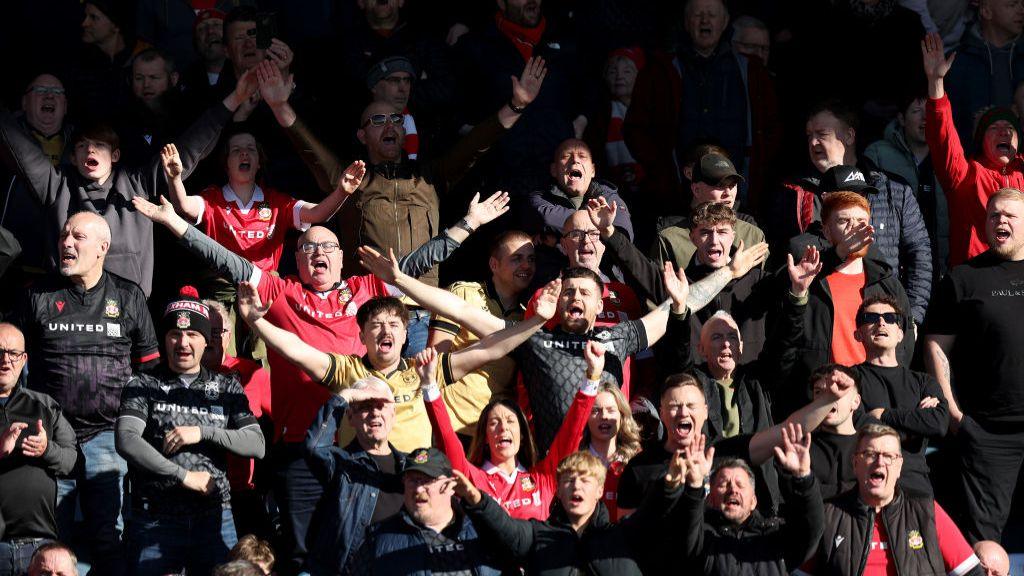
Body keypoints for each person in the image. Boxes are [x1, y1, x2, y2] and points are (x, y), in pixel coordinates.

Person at [132, 189, 501, 576]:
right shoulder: (280, 290)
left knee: (371, 550)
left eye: (327, 246)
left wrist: (469, 223)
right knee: (304, 556)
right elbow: (223, 258)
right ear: (298, 260)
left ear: (342, 257)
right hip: (299, 449)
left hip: (359, 451)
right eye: (307, 248)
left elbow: (417, 263)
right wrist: (175, 222)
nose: (317, 253)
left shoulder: (366, 289)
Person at [357, 246, 690, 451]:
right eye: (568, 292)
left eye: (584, 293)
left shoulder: (620, 337)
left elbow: (678, 307)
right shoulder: (533, 340)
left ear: (600, 300)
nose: (575, 298)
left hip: (612, 465)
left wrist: (726, 273)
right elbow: (459, 309)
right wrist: (401, 281)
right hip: (554, 469)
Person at [0, 66, 260, 296]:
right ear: (73, 155)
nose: (90, 151)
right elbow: (20, 148)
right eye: (82, 146)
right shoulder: (57, 185)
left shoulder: (137, 183)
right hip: (68, 304)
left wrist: (233, 100)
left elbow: (190, 147)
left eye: (99, 146)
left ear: (115, 155)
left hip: (126, 308)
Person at [238, 278, 560, 452]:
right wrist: (256, 323)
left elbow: (489, 349)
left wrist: (536, 322)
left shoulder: (423, 370)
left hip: (415, 479)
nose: (385, 330)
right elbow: (296, 350)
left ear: (407, 334)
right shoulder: (348, 371)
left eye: (394, 324)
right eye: (376, 325)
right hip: (357, 480)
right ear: (362, 336)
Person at [13, 212, 159, 576]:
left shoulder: (128, 295)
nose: (66, 243)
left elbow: (151, 373)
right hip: (51, 438)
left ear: (102, 248)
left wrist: (135, 428)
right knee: (51, 543)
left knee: (109, 537)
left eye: (78, 237)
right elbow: (11, 356)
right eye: (64, 236)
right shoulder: (38, 296)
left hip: (108, 435)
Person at [116, 286, 266, 576]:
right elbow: (126, 439)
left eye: (192, 335)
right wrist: (183, 476)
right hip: (156, 518)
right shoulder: (143, 383)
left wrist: (203, 432)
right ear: (164, 338)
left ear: (206, 340)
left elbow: (256, 444)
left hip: (214, 517)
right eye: (175, 334)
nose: (183, 342)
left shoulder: (226, 386)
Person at [771, 103, 932, 325]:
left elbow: (920, 256)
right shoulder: (793, 193)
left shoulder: (892, 189)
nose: (813, 142)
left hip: (883, 320)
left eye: (822, 134)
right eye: (809, 135)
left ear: (849, 135)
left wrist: (911, 318)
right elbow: (783, 260)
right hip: (822, 321)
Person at [924, 187, 1024, 542]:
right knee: (984, 543)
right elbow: (936, 344)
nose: (1001, 220)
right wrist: (954, 416)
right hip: (986, 434)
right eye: (994, 214)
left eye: (1010, 215)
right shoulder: (964, 278)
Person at [624, 0, 780, 209]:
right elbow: (636, 129)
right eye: (698, 15)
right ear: (686, 22)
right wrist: (661, 169)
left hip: (740, 192)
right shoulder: (659, 71)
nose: (705, 20)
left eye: (712, 15)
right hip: (676, 194)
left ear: (725, 22)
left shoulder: (752, 70)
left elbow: (773, 128)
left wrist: (757, 169)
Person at [419, 340, 599, 521]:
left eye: (510, 421)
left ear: (522, 434)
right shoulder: (471, 479)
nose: (503, 427)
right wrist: (428, 383)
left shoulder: (543, 478)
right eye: (494, 423)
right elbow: (446, 437)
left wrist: (592, 377)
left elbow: (571, 433)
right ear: (486, 437)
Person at [783, 191, 914, 415]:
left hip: (875, 402)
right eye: (844, 221)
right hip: (821, 402)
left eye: (861, 221)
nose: (855, 228)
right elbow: (787, 341)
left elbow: (905, 341)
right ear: (826, 231)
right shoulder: (808, 279)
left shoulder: (887, 283)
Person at [453, 449, 682, 576]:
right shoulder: (536, 534)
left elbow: (649, 515)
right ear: (558, 491)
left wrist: (670, 486)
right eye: (569, 481)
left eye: (585, 480)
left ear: (600, 490)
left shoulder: (621, 535)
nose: (576, 486)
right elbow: (505, 527)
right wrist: (477, 499)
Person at [799, 424, 983, 576]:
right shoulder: (830, 514)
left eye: (888, 456)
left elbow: (972, 572)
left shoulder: (925, 511)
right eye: (870, 454)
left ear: (899, 467)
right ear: (855, 464)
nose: (879, 462)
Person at [453, 0, 590, 193]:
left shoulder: (567, 40)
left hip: (555, 176)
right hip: (496, 182)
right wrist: (477, 138)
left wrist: (581, 122)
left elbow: (591, 88)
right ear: (501, 3)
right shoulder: (475, 45)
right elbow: (452, 104)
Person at [922, 32, 1024, 266]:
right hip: (975, 281)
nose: (1004, 132)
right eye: (994, 128)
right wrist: (936, 82)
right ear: (980, 141)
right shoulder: (965, 176)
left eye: (1010, 128)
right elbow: (942, 137)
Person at [675, 424, 824, 575]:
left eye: (740, 485)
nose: (733, 489)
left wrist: (803, 477)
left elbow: (811, 529)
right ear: (711, 499)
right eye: (723, 484)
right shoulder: (703, 540)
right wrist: (694, 486)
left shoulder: (775, 538)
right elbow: (687, 531)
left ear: (753, 501)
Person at [427, 230, 535, 438]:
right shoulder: (463, 294)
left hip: (495, 432)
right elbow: (435, 362)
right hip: (450, 424)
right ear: (494, 265)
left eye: (531, 259)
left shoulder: (528, 318)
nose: (526, 266)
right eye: (517, 259)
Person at [302, 376, 405, 576]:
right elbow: (313, 446)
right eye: (365, 406)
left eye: (381, 406)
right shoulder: (340, 463)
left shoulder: (409, 468)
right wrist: (345, 396)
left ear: (393, 414)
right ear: (350, 417)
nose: (374, 412)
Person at [0, 323, 77, 576]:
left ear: (24, 360)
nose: (5, 360)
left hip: (40, 549)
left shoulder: (45, 405)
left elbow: (71, 461)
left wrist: (46, 449)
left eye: (13, 353)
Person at [850, 295, 948, 496]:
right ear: (858, 334)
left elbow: (938, 424)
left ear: (901, 333)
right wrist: (916, 425)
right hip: (866, 489)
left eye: (890, 318)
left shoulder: (923, 381)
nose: (881, 322)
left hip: (916, 488)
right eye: (871, 318)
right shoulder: (849, 378)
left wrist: (884, 415)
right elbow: (860, 431)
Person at [352, 447, 502, 575]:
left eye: (427, 480)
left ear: (451, 485)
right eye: (412, 480)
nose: (418, 488)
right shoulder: (377, 540)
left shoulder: (483, 531)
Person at [202, 300, 274, 540]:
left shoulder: (252, 373)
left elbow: (280, 422)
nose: (211, 339)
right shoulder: (179, 375)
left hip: (242, 492)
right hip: (195, 488)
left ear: (228, 336)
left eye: (217, 332)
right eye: (204, 331)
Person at [865, 94, 950, 281]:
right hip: (893, 269)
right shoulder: (877, 154)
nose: (925, 118)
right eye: (916, 111)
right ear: (901, 119)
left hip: (941, 268)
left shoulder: (949, 156)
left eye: (929, 111)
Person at [0, 73, 72, 282]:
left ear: (66, 106)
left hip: (62, 270)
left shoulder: (83, 144)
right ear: (24, 102)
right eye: (40, 91)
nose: (49, 96)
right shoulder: (5, 139)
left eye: (57, 92)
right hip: (10, 268)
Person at [942, 0, 1024, 150]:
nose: (1021, 10)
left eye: (1022, 4)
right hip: (972, 164)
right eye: (1012, 5)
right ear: (986, 11)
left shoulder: (1022, 57)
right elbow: (949, 125)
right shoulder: (958, 62)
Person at [522, 138, 634, 241]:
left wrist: (557, 240)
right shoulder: (539, 198)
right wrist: (602, 226)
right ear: (554, 170)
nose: (575, 160)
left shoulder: (609, 196)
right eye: (566, 156)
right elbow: (547, 219)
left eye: (582, 156)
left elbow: (622, 238)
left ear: (592, 170)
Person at [580, 381, 642, 520]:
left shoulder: (637, 460)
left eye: (611, 410)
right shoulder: (575, 462)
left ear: (622, 416)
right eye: (595, 410)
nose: (604, 416)